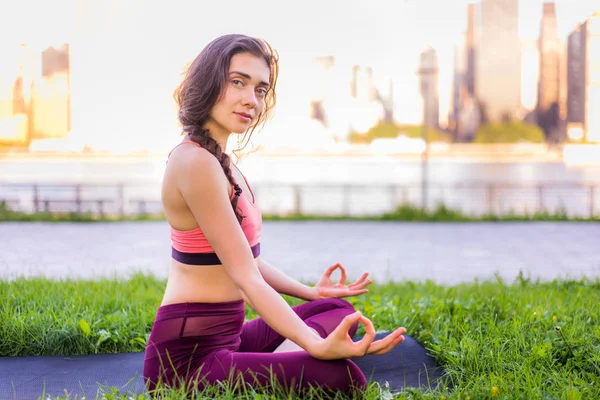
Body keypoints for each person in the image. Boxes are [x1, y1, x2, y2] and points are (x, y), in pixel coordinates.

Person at [142, 34, 407, 396]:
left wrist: (309, 292)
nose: (251, 100)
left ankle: (285, 362)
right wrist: (314, 346)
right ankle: (298, 361)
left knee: (334, 309)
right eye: (238, 82)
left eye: (261, 89)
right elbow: (246, 278)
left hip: (229, 338)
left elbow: (244, 259)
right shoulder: (194, 162)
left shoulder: (220, 162)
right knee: (345, 379)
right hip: (186, 362)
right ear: (208, 82)